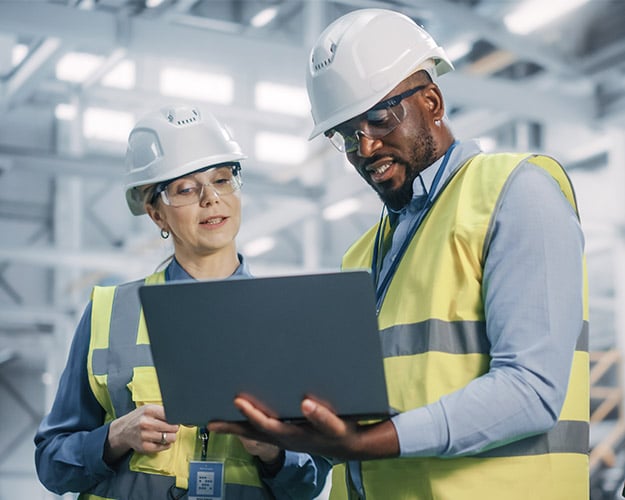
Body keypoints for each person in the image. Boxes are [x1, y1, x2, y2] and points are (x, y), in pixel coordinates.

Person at [208, 8, 590, 500]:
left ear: (432, 101)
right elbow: (358, 423)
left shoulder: (515, 193)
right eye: (345, 133)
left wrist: (370, 442)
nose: (364, 146)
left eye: (378, 117)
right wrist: (281, 443)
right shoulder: (363, 255)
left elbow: (532, 390)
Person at [34, 104, 324, 499]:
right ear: (157, 215)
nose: (211, 199)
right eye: (186, 189)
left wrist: (273, 452)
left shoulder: (288, 318)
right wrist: (114, 437)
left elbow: (310, 482)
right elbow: (52, 464)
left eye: (222, 180)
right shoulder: (110, 312)